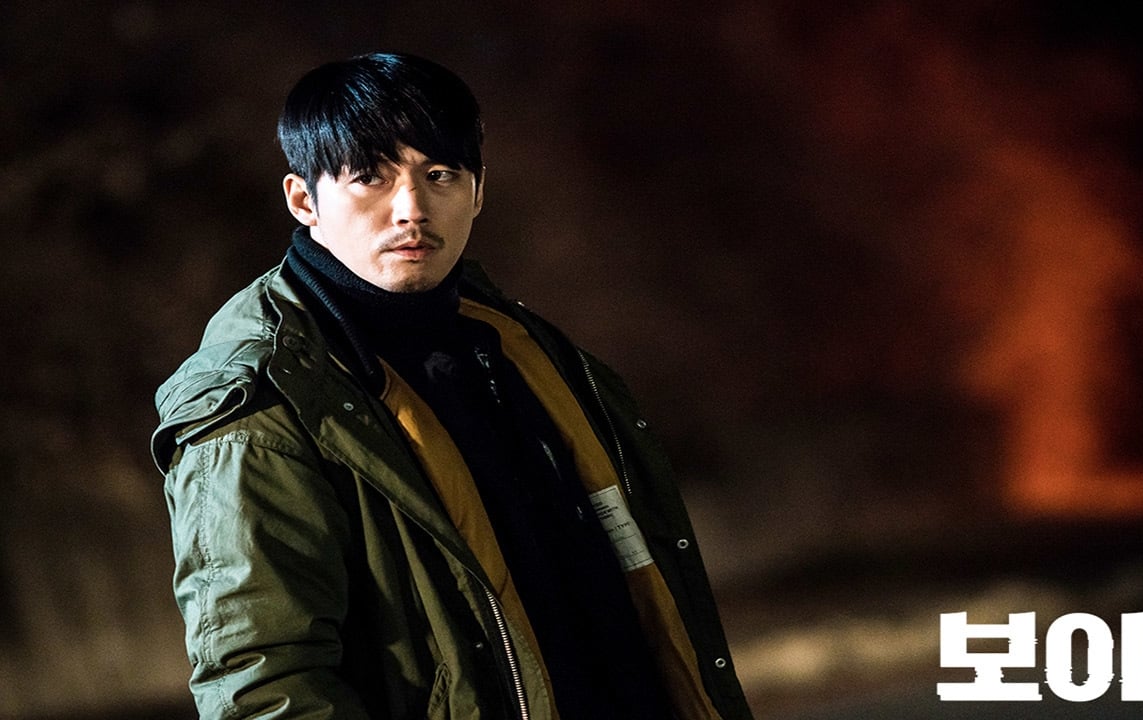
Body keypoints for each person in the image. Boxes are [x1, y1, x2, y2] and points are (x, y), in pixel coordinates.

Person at [151, 51, 753, 720]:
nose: (411, 208)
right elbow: (263, 684)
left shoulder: (517, 347)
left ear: (478, 190)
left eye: (440, 175)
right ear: (303, 200)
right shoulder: (262, 400)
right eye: (370, 177)